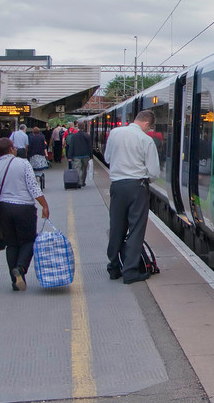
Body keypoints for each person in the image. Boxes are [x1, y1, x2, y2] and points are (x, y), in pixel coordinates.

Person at [0, 137, 50, 291]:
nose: (16, 149)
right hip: (24, 209)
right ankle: (21, 269)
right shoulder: (23, 163)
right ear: (11, 149)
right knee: (28, 241)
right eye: (14, 147)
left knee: (12, 244)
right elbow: (33, 187)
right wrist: (44, 205)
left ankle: (14, 281)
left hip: (3, 209)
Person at [104, 110, 160, 284]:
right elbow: (153, 171)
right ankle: (130, 271)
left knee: (116, 226)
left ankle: (114, 266)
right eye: (149, 127)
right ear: (147, 124)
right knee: (136, 228)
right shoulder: (146, 140)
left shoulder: (115, 133)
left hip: (117, 186)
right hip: (137, 187)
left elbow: (107, 157)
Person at [66, 121, 93, 187]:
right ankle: (82, 182)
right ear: (84, 127)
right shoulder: (87, 136)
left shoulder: (74, 136)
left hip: (76, 155)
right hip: (85, 155)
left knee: (77, 169)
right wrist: (91, 156)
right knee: (84, 169)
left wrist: (69, 156)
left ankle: (78, 182)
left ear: (77, 127)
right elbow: (90, 146)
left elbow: (71, 147)